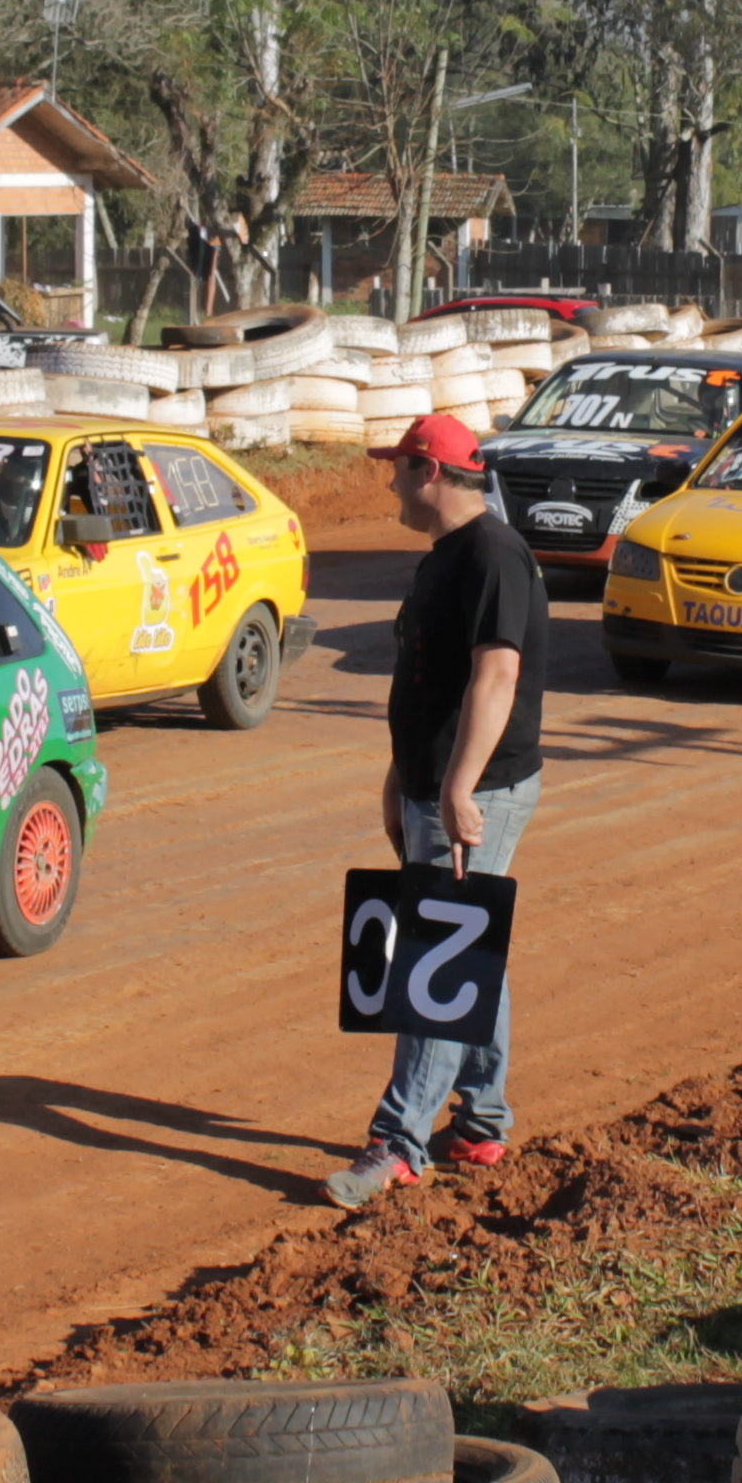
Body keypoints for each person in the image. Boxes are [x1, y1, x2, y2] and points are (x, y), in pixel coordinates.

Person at [324, 409, 548, 1212]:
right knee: (467, 946)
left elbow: (497, 676)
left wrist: (457, 788)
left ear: (430, 473)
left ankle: (399, 1143)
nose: (389, 482)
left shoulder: (492, 556)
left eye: (397, 468)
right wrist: (402, 775)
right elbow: (430, 682)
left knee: (436, 963)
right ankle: (482, 1120)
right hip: (434, 784)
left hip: (476, 790)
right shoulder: (447, 556)